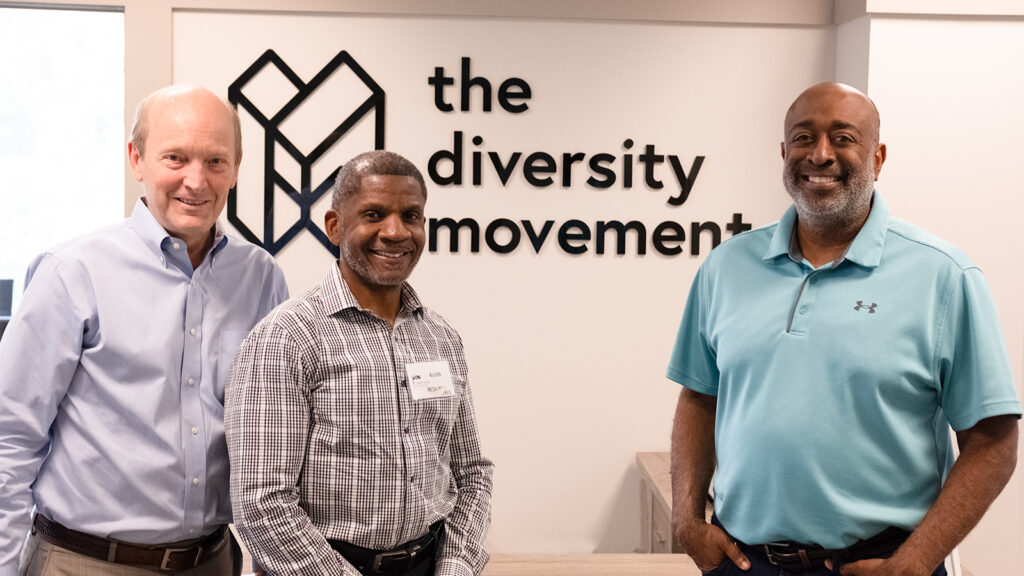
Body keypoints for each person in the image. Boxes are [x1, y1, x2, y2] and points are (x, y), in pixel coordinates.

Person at [667, 82, 1020, 576]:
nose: (821, 154)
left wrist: (917, 560)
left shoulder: (944, 276)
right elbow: (699, 397)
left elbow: (993, 441)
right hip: (744, 561)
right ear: (784, 152)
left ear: (877, 157)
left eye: (844, 137)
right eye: (805, 137)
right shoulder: (726, 267)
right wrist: (685, 522)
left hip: (881, 564)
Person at [0, 85, 289, 576]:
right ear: (137, 159)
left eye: (215, 161)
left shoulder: (261, 278)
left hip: (213, 561)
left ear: (237, 166)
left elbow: (277, 434)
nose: (195, 181)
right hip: (85, 562)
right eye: (175, 157)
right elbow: (9, 437)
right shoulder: (72, 273)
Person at [226, 150, 493, 576]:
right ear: (334, 226)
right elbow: (262, 502)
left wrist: (456, 566)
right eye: (373, 214)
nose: (395, 231)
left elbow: (472, 473)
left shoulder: (441, 338)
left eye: (411, 216)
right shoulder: (287, 338)